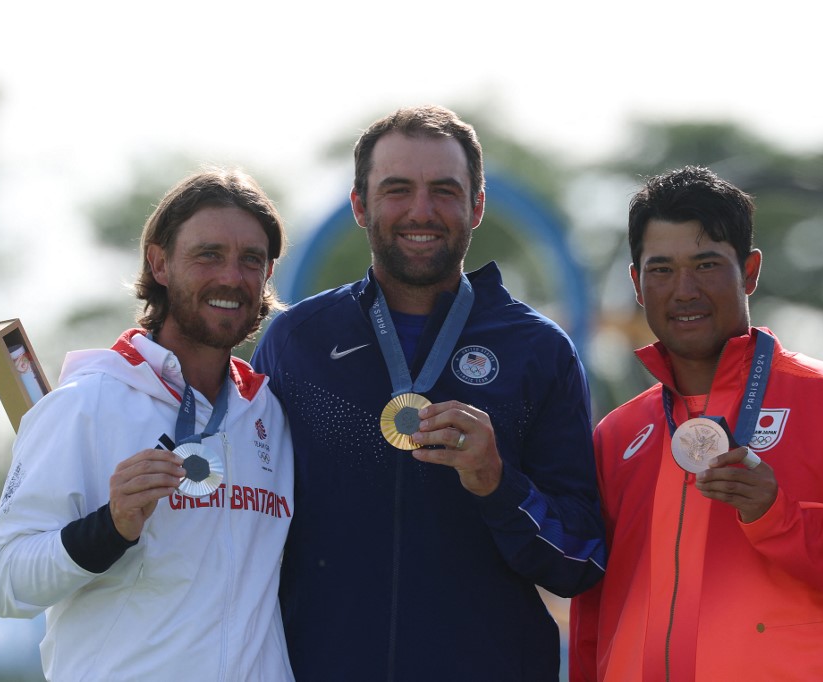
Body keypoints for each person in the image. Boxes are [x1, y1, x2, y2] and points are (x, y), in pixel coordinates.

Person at [250, 105, 606, 681]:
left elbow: (581, 558)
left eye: (445, 190)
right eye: (397, 190)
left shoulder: (538, 351)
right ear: (360, 206)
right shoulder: (298, 341)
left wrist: (497, 483)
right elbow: (245, 523)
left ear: (477, 205)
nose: (422, 211)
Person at [569, 165, 823, 681]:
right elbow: (594, 613)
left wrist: (779, 515)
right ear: (635, 282)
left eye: (706, 264)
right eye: (661, 269)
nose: (684, 290)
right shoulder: (618, 434)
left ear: (750, 271)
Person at [0, 168, 295, 681]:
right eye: (209, 254)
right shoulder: (84, 405)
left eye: (251, 260)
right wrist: (111, 526)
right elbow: (1, 579)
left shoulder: (270, 416)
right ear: (160, 263)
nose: (232, 278)